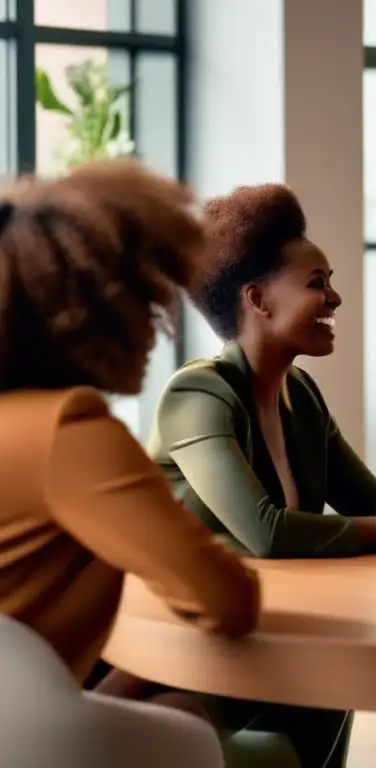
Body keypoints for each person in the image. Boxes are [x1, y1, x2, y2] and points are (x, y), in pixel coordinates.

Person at [147, 182, 376, 767]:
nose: (335, 298)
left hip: (283, 634)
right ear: (257, 299)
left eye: (329, 281)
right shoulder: (197, 393)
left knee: (344, 670)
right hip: (203, 653)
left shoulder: (299, 394)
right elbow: (269, 533)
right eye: (317, 284)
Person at [0, 160, 260, 764]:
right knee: (195, 720)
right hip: (28, 742)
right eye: (146, 303)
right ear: (92, 312)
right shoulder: (70, 429)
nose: (159, 328)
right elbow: (226, 602)